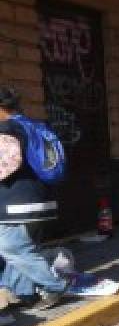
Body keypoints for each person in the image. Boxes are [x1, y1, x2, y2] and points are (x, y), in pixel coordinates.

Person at [0, 86, 69, 313]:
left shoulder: (7, 128)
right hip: (41, 199)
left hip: (18, 204)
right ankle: (22, 292)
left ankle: (54, 286)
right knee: (22, 247)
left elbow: (7, 164)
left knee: (12, 248)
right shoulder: (31, 124)